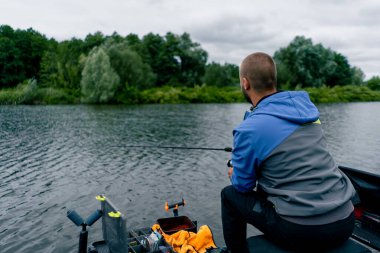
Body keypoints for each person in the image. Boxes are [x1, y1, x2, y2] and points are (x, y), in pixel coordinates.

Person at [221, 52, 356, 253]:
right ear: (273, 80)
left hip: (303, 232)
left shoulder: (249, 129)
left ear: (245, 83)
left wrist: (235, 172)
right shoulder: (308, 111)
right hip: (346, 221)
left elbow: (243, 185)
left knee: (229, 195)